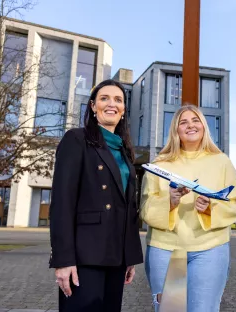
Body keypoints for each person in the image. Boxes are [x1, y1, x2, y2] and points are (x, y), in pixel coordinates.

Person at [49, 79, 143, 312]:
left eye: (118, 100)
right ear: (92, 106)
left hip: (116, 256)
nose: (112, 104)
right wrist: (63, 260)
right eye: (104, 98)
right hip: (84, 257)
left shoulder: (124, 150)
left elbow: (127, 207)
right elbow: (62, 203)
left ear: (123, 110)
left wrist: (129, 255)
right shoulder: (76, 139)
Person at [140, 104, 236, 312]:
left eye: (195, 120)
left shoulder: (222, 162)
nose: (190, 125)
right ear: (175, 130)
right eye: (183, 122)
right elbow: (145, 207)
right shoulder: (160, 164)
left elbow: (235, 203)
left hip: (210, 250)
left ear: (204, 126)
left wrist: (209, 209)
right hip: (166, 250)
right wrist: (170, 202)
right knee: (169, 309)